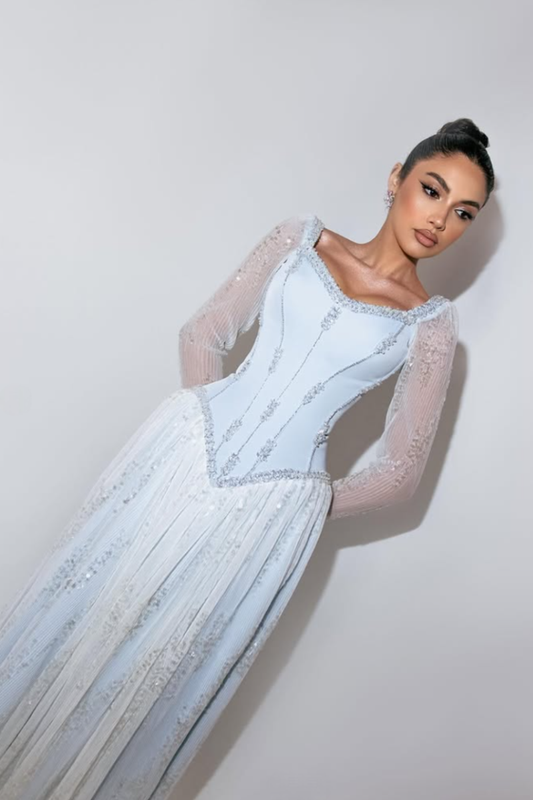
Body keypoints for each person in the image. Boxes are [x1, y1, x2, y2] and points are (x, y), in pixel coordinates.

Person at [0, 117, 494, 799]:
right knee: (83, 605)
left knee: (159, 667)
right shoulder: (300, 240)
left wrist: (294, 505)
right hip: (174, 463)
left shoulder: (430, 325)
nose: (440, 218)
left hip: (261, 526)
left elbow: (399, 474)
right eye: (432, 190)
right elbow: (205, 331)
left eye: (463, 212)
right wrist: (197, 433)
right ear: (396, 179)